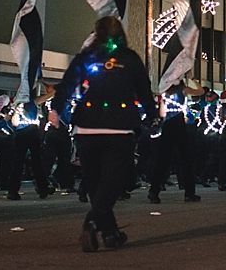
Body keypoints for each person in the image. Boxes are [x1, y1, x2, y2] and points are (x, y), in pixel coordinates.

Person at [49, 15, 155, 253]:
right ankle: (94, 221)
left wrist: (55, 109)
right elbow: (144, 91)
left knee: (95, 181)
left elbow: (66, 85)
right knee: (113, 181)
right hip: (120, 127)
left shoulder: (87, 57)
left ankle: (110, 233)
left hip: (87, 126)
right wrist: (151, 116)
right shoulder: (129, 58)